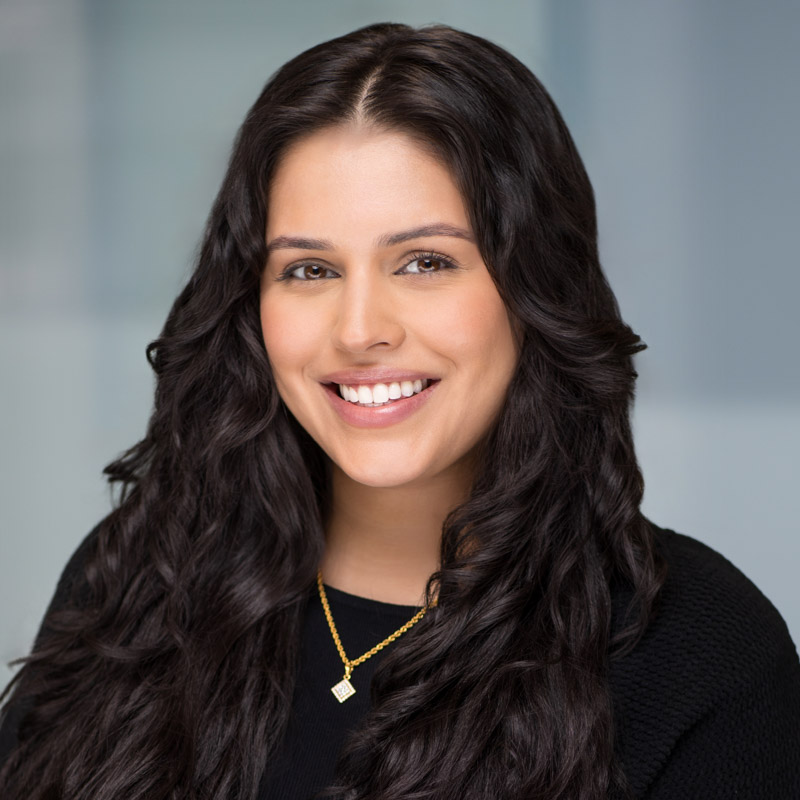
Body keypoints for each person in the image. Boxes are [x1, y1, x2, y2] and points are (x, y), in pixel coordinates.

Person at [1, 21, 798, 800]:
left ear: (535, 289)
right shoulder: (139, 579)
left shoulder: (701, 655)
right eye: (309, 269)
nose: (359, 331)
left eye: (425, 262)